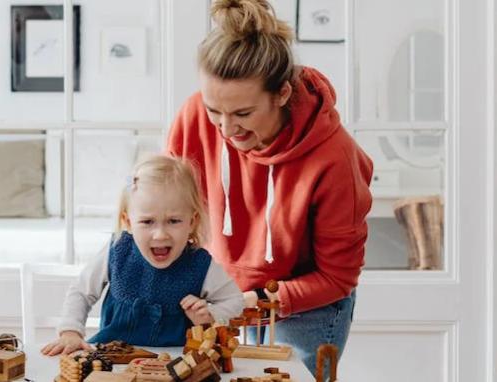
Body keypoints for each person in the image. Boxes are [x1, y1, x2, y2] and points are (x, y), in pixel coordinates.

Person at [167, 0, 373, 377]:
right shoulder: (194, 117)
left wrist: (253, 301)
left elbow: (336, 277)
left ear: (281, 94)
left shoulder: (336, 158)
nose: (227, 131)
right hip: (219, 294)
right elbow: (173, 210)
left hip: (307, 308)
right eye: (215, 111)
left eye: (243, 114)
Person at [41, 155, 244, 356]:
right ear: (128, 222)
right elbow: (81, 292)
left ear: (192, 221)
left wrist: (209, 315)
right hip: (112, 359)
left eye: (174, 221)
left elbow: (235, 302)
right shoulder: (118, 251)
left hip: (176, 363)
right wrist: (71, 331)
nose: (160, 234)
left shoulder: (200, 263)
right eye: (147, 222)